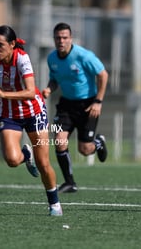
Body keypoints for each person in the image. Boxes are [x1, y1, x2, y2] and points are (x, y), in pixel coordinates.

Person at [0, 25, 62, 216]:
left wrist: (2, 92)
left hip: (34, 112)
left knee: (43, 163)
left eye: (0, 45)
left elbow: (30, 92)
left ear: (12, 44)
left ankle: (54, 204)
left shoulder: (22, 58)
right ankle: (25, 156)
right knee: (12, 160)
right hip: (8, 114)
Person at [42, 22, 109, 193]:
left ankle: (98, 143)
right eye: (58, 38)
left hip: (88, 105)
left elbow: (103, 74)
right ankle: (70, 182)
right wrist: (49, 88)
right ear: (54, 39)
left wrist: (98, 101)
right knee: (59, 140)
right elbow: (55, 79)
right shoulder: (52, 58)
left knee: (85, 150)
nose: (61, 41)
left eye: (65, 37)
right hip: (66, 105)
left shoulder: (84, 56)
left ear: (71, 38)